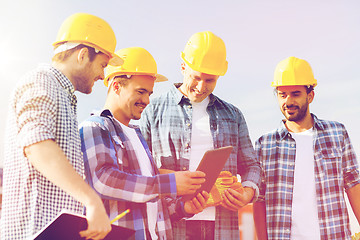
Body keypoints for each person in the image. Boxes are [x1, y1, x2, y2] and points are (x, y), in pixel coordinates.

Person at [1, 13, 123, 240]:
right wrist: (91, 199)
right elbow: (37, 145)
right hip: (32, 231)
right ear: (83, 54)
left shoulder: (63, 95)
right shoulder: (42, 81)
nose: (102, 75)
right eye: (102, 65)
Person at [140, 31, 262, 240]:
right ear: (183, 67)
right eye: (196, 78)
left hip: (222, 225)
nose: (201, 87)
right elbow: (141, 168)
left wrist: (247, 193)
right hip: (170, 224)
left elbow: (251, 165)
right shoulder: (152, 110)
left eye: (210, 80)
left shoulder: (233, 115)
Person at [79, 47, 209, 240]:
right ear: (116, 86)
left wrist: (183, 208)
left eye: (149, 93)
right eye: (141, 92)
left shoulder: (137, 135)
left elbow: (151, 204)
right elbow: (103, 181)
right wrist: (170, 183)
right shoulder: (95, 127)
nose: (147, 100)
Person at [253, 56, 360, 240]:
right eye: (282, 94)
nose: (288, 101)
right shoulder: (265, 144)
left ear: (310, 95)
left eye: (295, 93)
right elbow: (259, 199)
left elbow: (353, 184)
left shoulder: (337, 133)